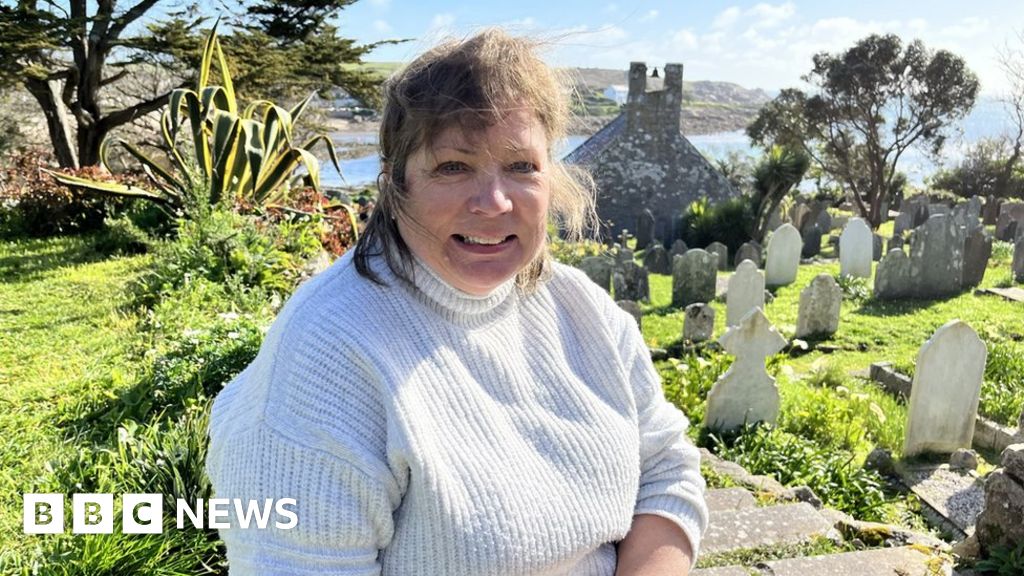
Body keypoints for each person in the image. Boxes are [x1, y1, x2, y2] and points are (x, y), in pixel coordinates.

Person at [206, 28, 708, 575]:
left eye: (521, 167)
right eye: (453, 167)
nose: (493, 202)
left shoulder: (580, 309)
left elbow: (665, 470)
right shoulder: (325, 358)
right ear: (395, 186)